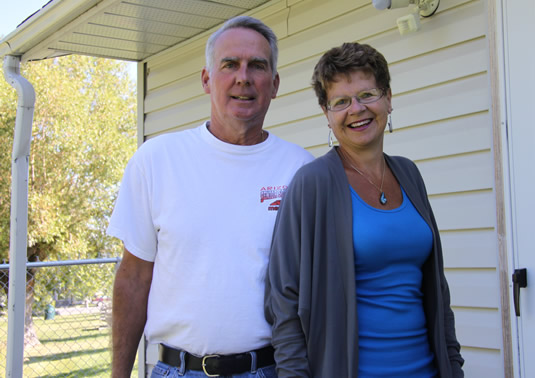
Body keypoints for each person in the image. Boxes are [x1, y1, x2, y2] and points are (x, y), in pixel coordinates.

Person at [108, 16, 314, 377]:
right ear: (206, 79)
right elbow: (134, 278)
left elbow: (318, 285)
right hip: (179, 369)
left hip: (270, 369)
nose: (243, 78)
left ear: (275, 84)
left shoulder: (300, 169)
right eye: (229, 64)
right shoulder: (157, 161)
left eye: (257, 66)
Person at [265, 42, 465, 377]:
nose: (356, 109)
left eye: (367, 94)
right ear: (327, 115)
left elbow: (436, 288)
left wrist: (453, 364)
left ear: (388, 98)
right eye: (341, 101)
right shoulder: (312, 184)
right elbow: (283, 300)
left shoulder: (409, 174)